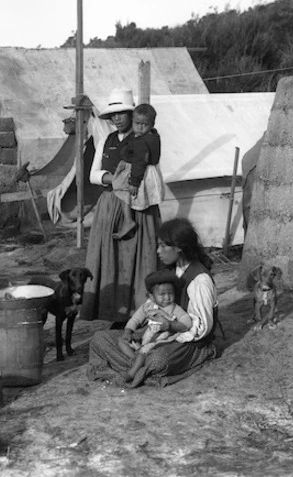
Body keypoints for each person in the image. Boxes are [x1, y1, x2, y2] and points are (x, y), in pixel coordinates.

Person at [87, 217, 220, 387]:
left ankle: (137, 365)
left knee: (158, 361)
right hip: (157, 335)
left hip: (189, 343)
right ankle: (138, 362)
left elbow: (200, 328)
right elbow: (148, 309)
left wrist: (170, 328)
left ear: (179, 247)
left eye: (163, 246)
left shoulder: (200, 280)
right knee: (99, 338)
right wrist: (136, 332)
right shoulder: (171, 271)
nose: (158, 251)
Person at [81, 89, 161, 327]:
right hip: (110, 205)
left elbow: (149, 172)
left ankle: (141, 311)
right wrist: (111, 179)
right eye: (113, 114)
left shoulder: (146, 138)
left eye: (122, 113)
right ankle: (116, 312)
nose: (117, 119)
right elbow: (94, 174)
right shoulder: (108, 140)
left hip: (138, 204)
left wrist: (126, 182)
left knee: (139, 257)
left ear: (132, 114)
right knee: (111, 258)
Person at [118, 269, 191, 381]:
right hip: (145, 338)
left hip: (160, 340)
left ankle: (132, 373)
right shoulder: (147, 307)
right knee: (122, 341)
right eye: (162, 294)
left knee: (146, 352)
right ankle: (135, 359)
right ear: (151, 296)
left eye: (170, 293)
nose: (167, 297)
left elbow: (187, 322)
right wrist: (128, 331)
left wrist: (171, 325)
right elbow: (135, 319)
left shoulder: (175, 309)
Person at [111, 103, 164, 240]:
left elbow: (140, 161)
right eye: (137, 123)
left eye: (144, 124)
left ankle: (128, 220)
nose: (140, 127)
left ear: (151, 124)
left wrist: (134, 182)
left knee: (123, 191)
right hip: (149, 172)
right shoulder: (153, 136)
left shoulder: (141, 141)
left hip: (139, 173)